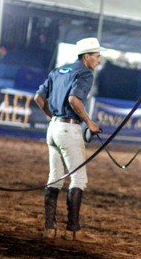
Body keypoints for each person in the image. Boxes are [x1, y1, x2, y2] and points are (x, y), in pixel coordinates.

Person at [34, 37, 102, 242]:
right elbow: (74, 99)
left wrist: (51, 116)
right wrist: (89, 123)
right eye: (97, 56)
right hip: (69, 128)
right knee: (79, 178)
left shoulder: (58, 71)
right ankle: (73, 229)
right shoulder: (84, 73)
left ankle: (50, 227)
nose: (98, 61)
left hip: (53, 127)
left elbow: (38, 98)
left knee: (55, 176)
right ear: (87, 56)